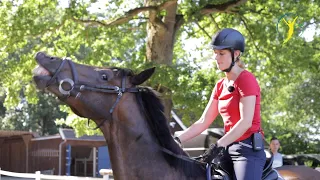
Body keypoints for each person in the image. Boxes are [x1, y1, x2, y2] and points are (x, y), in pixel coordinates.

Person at [175, 28, 266, 180]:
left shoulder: (246, 79)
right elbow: (203, 122)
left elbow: (245, 122)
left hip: (247, 151)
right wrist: (176, 140)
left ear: (236, 54)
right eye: (215, 53)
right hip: (226, 149)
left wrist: (217, 146)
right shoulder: (220, 86)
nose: (216, 58)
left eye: (221, 53)